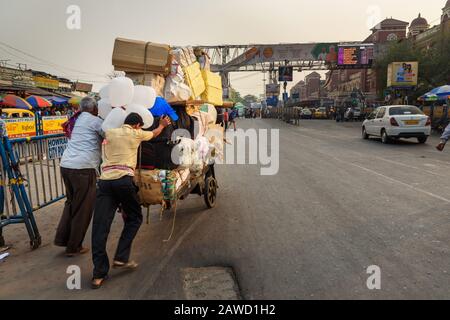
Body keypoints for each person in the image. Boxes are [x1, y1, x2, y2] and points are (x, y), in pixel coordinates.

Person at [91, 113, 171, 289]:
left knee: (100, 227)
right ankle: (121, 256)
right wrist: (163, 124)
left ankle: (98, 274)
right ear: (137, 126)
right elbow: (155, 134)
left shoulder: (110, 133)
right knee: (135, 217)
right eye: (140, 126)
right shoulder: (136, 134)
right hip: (123, 182)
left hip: (104, 183)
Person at [55, 97, 103, 257]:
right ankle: (74, 246)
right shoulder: (94, 121)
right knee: (83, 207)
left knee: (70, 203)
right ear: (94, 109)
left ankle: (63, 239)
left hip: (66, 165)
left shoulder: (77, 119)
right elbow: (108, 133)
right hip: (83, 168)